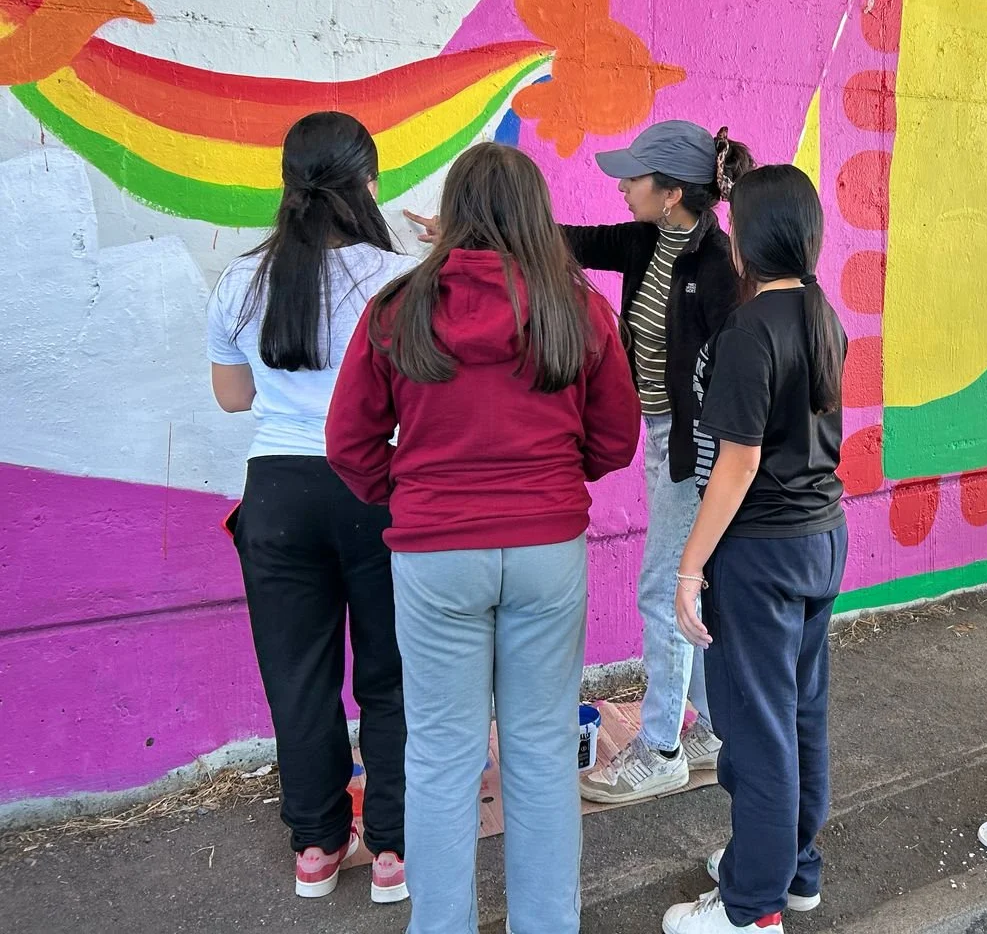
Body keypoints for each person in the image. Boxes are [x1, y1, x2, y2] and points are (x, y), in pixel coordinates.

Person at [328, 141, 640, 934]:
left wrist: (409, 493)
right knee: (538, 756)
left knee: (440, 759)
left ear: (456, 213)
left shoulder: (399, 309)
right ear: (535, 215)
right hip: (545, 550)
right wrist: (552, 482)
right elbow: (616, 439)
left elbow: (350, 446)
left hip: (434, 557)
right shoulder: (578, 308)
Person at [403, 119, 753, 806]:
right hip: (663, 438)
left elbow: (738, 366)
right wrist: (461, 226)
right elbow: (563, 241)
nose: (621, 187)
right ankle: (710, 729)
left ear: (674, 191)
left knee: (665, 588)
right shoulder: (646, 240)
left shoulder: (715, 266)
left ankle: (661, 749)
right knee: (691, 585)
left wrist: (710, 451)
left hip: (694, 446)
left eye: (634, 177)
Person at [205, 111, 414, 903]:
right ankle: (392, 849)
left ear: (288, 182)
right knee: (391, 677)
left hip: (278, 493)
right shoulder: (400, 277)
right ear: (368, 181)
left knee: (298, 677)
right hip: (376, 485)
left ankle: (318, 848)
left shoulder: (241, 280)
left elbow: (233, 399)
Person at [666, 165, 849, 934]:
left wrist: (689, 567)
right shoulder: (820, 312)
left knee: (760, 729)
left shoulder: (747, 331)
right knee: (799, 714)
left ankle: (752, 909)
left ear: (747, 239)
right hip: (820, 539)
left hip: (762, 557)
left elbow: (737, 464)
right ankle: (789, 870)